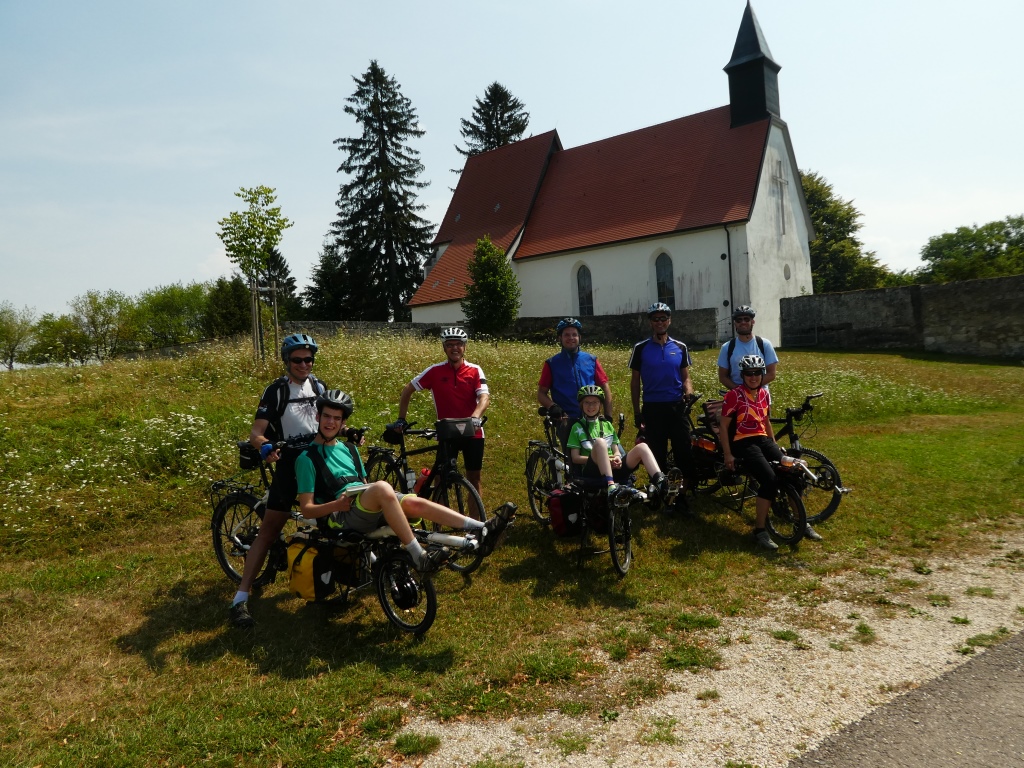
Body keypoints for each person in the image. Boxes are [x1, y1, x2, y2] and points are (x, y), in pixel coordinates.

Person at [295, 390, 515, 572]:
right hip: (341, 515)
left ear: (343, 422)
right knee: (382, 486)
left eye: (336, 418)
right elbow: (306, 509)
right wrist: (337, 505)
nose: (330, 422)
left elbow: (362, 483)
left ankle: (482, 528)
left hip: (364, 504)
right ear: (317, 417)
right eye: (326, 416)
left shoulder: (349, 448)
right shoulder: (307, 459)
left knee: (413, 502)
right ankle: (419, 556)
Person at [230, 333, 329, 628]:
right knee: (270, 529)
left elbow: (332, 421)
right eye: (297, 359)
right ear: (287, 361)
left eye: (308, 359)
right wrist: (265, 446)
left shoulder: (320, 387)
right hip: (289, 464)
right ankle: (240, 599)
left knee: (334, 516)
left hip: (319, 460)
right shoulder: (276, 390)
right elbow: (257, 431)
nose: (304, 364)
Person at [719, 354, 819, 549]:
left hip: (762, 439)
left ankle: (800, 521)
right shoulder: (734, 395)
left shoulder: (764, 394)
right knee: (769, 479)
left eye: (757, 372)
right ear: (743, 375)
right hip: (743, 442)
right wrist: (728, 454)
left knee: (793, 470)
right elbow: (723, 427)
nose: (753, 377)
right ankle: (760, 530)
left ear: (762, 374)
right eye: (749, 373)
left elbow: (765, 422)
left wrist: (774, 446)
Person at [396, 327, 489, 495]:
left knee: (474, 478)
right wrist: (401, 419)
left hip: (472, 431)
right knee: (440, 478)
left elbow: (484, 397)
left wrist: (475, 417)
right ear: (444, 348)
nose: (455, 348)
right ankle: (440, 518)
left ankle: (476, 521)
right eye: (449, 344)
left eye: (459, 344)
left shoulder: (475, 370)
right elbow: (407, 389)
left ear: (465, 347)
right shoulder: (435, 371)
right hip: (447, 432)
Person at [628, 303, 695, 504]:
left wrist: (689, 391)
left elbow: (685, 377)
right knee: (656, 453)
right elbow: (635, 381)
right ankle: (659, 491)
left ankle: (681, 496)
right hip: (653, 407)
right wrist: (637, 411)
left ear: (669, 321)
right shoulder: (640, 348)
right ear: (651, 323)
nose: (660, 322)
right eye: (656, 319)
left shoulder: (680, 347)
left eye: (663, 318)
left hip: (676, 406)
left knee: (683, 451)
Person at [567, 385, 670, 503]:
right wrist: (604, 460)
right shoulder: (576, 427)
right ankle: (611, 486)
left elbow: (616, 450)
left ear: (600, 404)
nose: (591, 406)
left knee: (642, 447)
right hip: (593, 470)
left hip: (614, 467)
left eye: (595, 402)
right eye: (587, 403)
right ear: (581, 405)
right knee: (600, 442)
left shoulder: (607, 425)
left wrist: (616, 457)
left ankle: (660, 482)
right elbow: (575, 458)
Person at [536, 317, 613, 448]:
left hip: (592, 417)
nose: (571, 338)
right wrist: (553, 407)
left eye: (574, 334)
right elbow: (541, 393)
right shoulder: (552, 363)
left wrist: (608, 416)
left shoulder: (591, 360)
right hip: (566, 419)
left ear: (579, 337)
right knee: (574, 462)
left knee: (610, 454)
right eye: (566, 335)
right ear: (560, 338)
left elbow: (605, 387)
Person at [717, 305, 779, 390]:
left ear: (752, 322)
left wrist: (751, 388)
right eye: (739, 320)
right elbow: (723, 377)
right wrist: (740, 391)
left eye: (746, 319)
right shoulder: (727, 347)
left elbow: (771, 374)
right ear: (735, 323)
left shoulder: (765, 344)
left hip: (761, 396)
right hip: (738, 396)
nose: (743, 322)